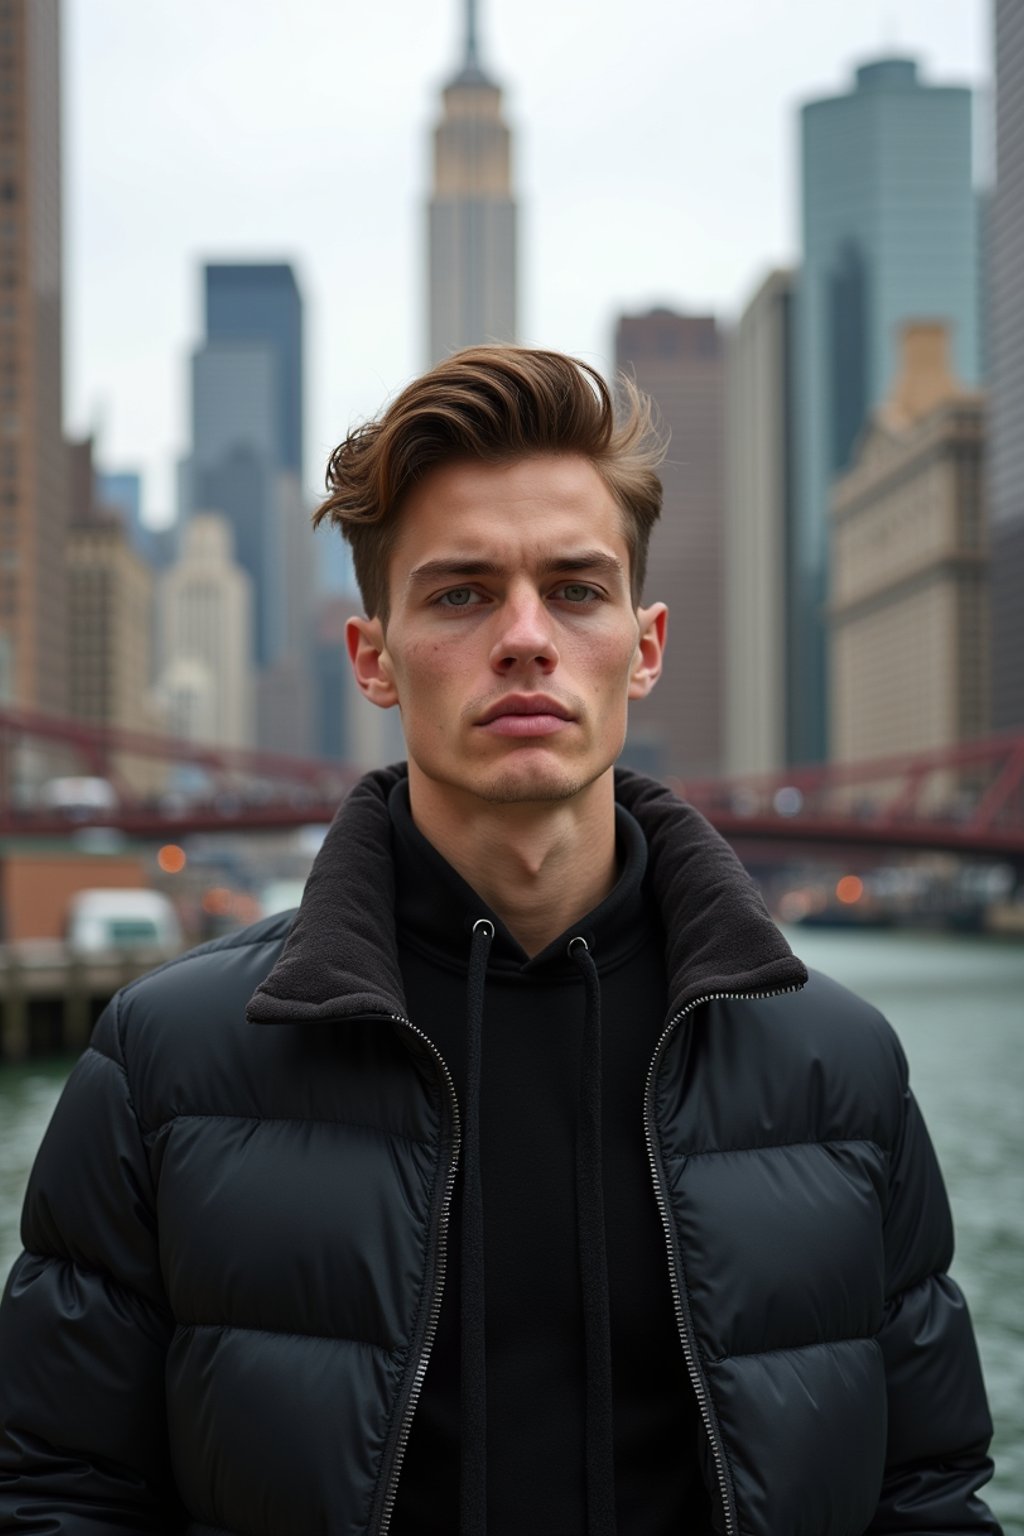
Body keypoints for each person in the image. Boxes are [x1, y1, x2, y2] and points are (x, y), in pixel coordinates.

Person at [0, 346, 1000, 1536]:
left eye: (576, 590)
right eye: (462, 593)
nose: (524, 637)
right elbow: (58, 1499)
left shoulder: (841, 1070)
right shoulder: (163, 1064)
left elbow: (928, 1499)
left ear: (646, 644)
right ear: (373, 658)